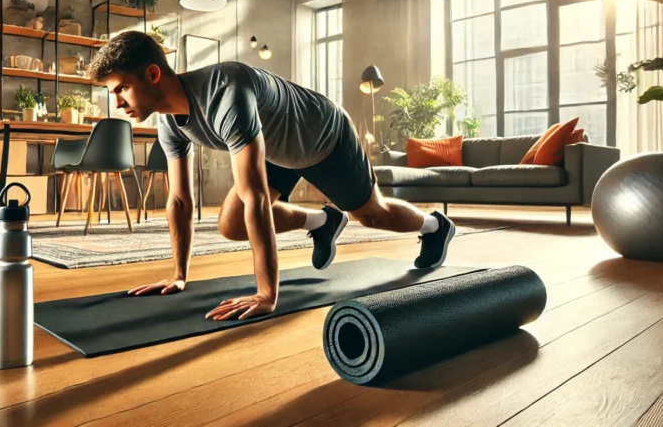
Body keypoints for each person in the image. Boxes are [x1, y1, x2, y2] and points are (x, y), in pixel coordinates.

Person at [89, 31, 456, 321]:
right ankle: (323, 221)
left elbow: (256, 197)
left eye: (121, 89)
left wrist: (267, 293)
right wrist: (178, 276)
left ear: (152, 74)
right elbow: (181, 200)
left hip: (324, 137)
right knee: (232, 224)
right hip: (273, 145)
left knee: (372, 215)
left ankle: (435, 227)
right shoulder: (170, 123)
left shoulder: (226, 92)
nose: (117, 103)